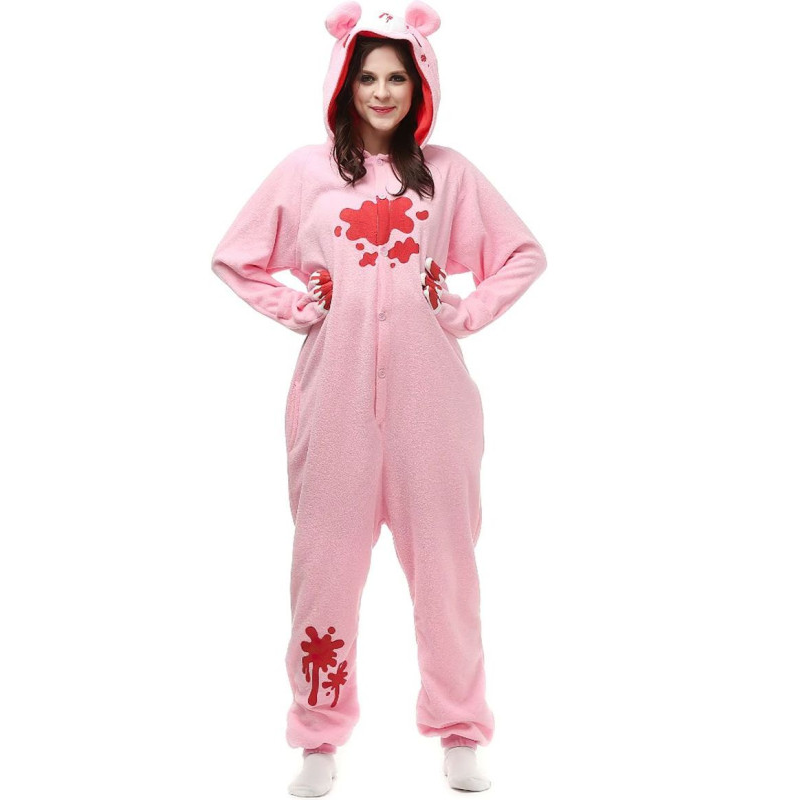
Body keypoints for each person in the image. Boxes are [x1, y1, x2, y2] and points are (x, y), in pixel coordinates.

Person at [210, 1, 546, 795]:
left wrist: (463, 312)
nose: (383, 91)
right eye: (368, 77)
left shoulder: (448, 175)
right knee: (323, 571)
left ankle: (460, 728)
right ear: (345, 84)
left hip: (435, 409)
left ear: (419, 83)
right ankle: (318, 737)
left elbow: (522, 255)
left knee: (446, 571)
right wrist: (298, 306)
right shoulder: (306, 173)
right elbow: (236, 257)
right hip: (332, 407)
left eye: (397, 77)